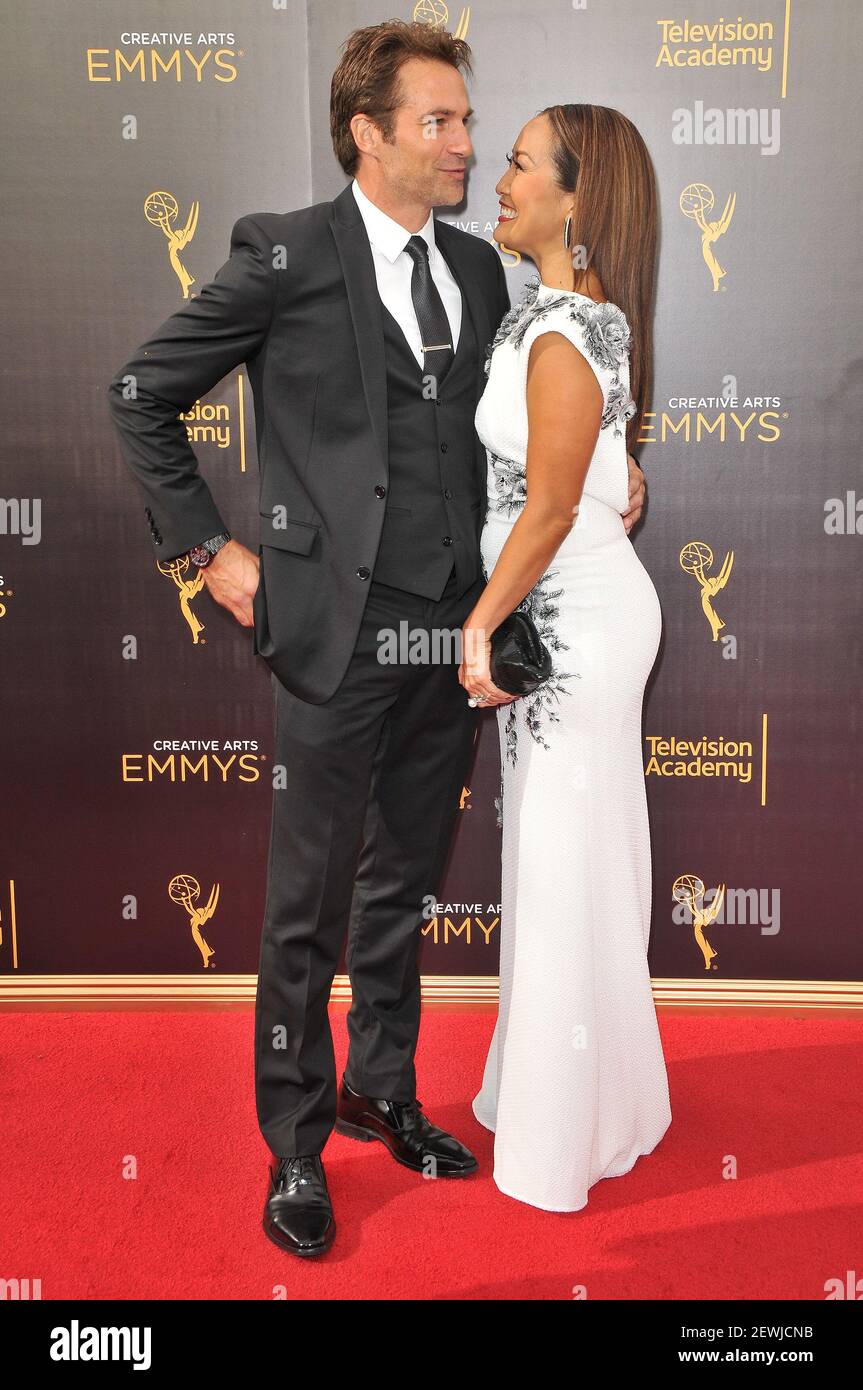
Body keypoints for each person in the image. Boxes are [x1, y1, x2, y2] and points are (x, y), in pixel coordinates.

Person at [107, 23, 646, 1257]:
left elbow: (535, 433)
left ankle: (382, 1091)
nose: (464, 144)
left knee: (399, 881)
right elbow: (142, 394)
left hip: (451, 638)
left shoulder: (476, 271)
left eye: (469, 124)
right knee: (305, 905)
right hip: (331, 633)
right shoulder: (284, 255)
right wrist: (206, 550)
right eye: (440, 123)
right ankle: (295, 1148)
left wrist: (621, 476)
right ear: (369, 131)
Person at [461, 104, 671, 1212]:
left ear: (577, 200)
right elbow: (586, 474)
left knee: (556, 870)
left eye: (519, 162)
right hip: (570, 614)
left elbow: (543, 506)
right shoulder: (557, 315)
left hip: (572, 623)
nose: (497, 176)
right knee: (564, 865)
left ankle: (561, 1138)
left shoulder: (563, 326)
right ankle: (590, 1101)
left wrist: (479, 621)